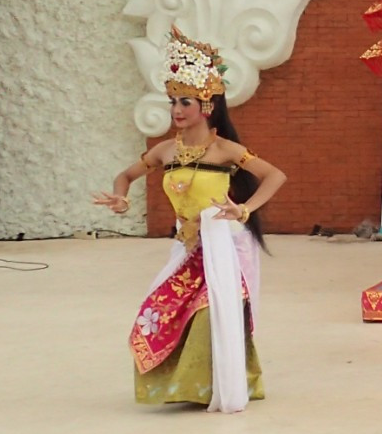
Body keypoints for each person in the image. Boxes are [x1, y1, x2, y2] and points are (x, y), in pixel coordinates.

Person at [93, 28, 286, 411]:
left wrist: (245, 210)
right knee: (162, 313)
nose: (177, 110)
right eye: (172, 102)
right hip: (187, 248)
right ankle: (182, 387)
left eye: (185, 102)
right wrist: (121, 195)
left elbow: (275, 175)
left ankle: (218, 386)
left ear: (207, 105)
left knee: (210, 314)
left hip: (225, 247)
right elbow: (127, 175)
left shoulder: (224, 149)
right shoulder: (165, 151)